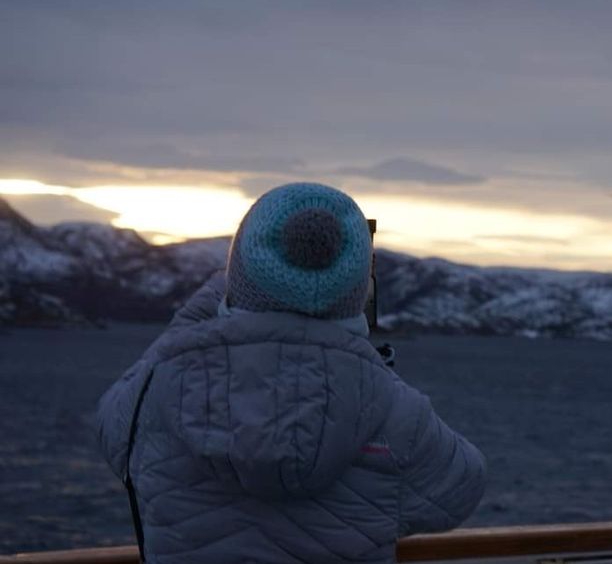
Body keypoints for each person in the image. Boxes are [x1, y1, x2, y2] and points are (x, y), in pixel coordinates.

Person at [96, 182, 486, 563]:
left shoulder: (157, 386)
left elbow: (113, 430)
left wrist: (209, 307)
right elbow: (460, 492)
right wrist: (366, 364)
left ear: (238, 278)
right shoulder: (393, 405)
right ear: (357, 291)